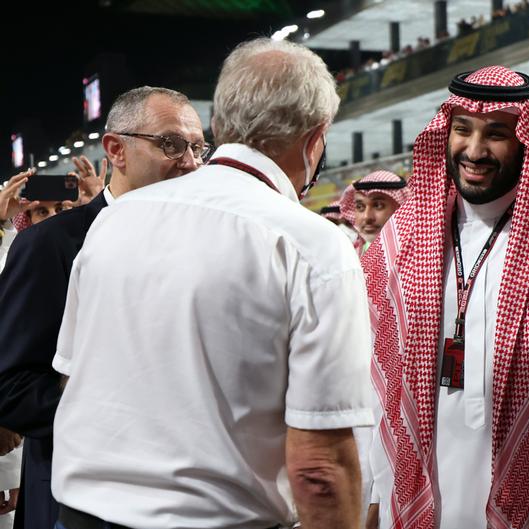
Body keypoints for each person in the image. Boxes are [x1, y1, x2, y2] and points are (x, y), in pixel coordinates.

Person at [51, 38, 372, 529]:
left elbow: (73, 377)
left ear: (220, 126)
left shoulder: (115, 219)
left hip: (81, 514)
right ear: (315, 140)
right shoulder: (314, 246)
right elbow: (319, 466)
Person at [363, 66, 529, 529]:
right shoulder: (401, 239)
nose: (475, 151)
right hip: (416, 476)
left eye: (496, 134)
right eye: (462, 129)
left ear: (525, 140)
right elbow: (371, 373)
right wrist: (371, 488)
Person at [0, 86, 203, 529]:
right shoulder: (51, 245)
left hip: (182, 497)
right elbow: (12, 388)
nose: (189, 161)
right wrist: (131, 420)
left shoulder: (206, 243)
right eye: (171, 144)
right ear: (116, 149)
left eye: (197, 147)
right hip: (75, 498)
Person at [340, 170, 411, 255]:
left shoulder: (420, 254)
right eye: (360, 207)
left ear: (401, 207)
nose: (367, 217)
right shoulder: (351, 254)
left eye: (378, 205)